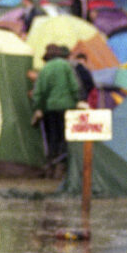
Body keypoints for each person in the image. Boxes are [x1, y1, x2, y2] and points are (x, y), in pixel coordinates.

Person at [32, 44, 82, 179]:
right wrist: (76, 100)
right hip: (67, 107)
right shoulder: (67, 66)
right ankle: (62, 165)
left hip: (50, 108)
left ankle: (51, 165)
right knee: (65, 137)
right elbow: (75, 86)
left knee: (52, 138)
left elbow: (39, 92)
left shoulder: (44, 70)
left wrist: (38, 107)